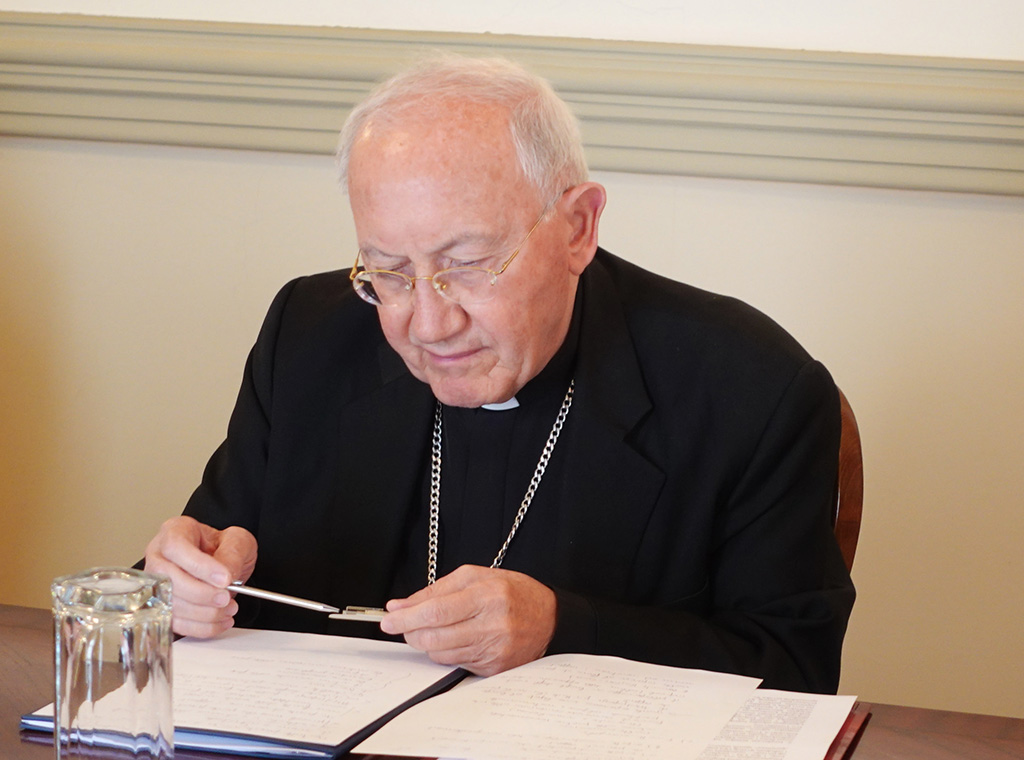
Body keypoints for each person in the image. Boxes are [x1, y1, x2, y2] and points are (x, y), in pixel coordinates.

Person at [144, 55, 854, 693]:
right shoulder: (308, 336)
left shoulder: (751, 390)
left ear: (577, 228)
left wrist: (563, 627)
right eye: (389, 272)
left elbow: (795, 670)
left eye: (467, 265)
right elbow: (211, 556)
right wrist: (181, 585)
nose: (428, 324)